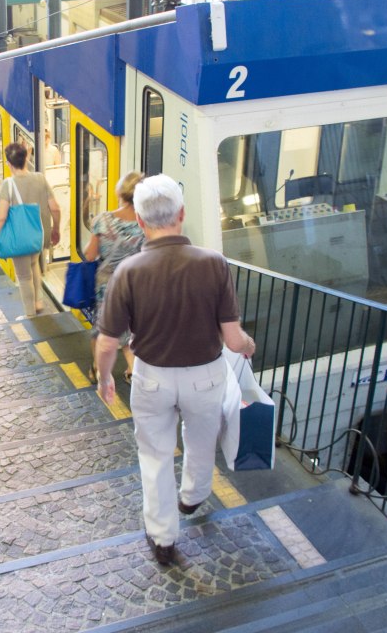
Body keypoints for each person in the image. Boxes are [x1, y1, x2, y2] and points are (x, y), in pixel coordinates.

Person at [95, 174, 256, 567]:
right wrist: (248, 346)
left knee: (155, 456)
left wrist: (104, 379)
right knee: (201, 441)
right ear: (181, 215)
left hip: (152, 378)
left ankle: (164, 539)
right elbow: (234, 341)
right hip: (205, 376)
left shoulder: (129, 271)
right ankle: (193, 496)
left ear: (143, 222)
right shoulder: (213, 263)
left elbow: (107, 341)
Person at [83, 171, 145, 381]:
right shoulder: (145, 224)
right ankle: (133, 370)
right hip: (134, 283)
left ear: (120, 192)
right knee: (130, 327)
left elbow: (90, 255)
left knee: (102, 326)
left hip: (106, 283)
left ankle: (98, 369)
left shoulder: (103, 220)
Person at [0, 141, 62, 318]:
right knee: (34, 264)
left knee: (24, 277)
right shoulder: (40, 178)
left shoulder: (8, 184)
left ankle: (30, 315)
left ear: (8, 164)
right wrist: (56, 229)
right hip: (38, 235)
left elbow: (1, 217)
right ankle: (37, 301)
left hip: (20, 237)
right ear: (26, 158)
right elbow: (55, 208)